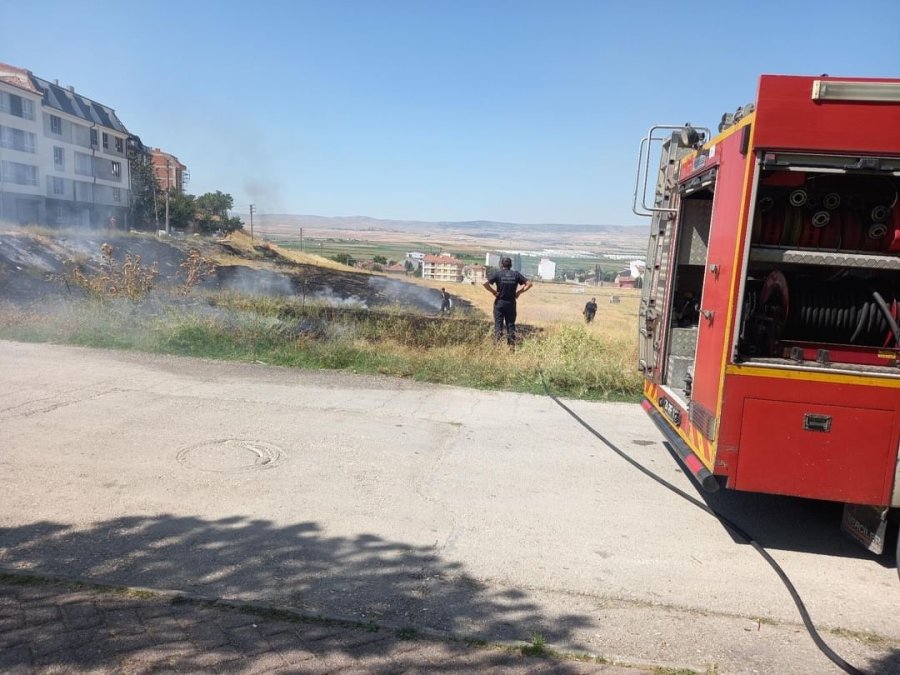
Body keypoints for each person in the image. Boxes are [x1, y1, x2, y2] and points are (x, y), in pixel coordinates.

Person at [483, 257, 532, 347]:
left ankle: (498, 348)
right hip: (511, 304)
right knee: (510, 326)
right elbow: (529, 284)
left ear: (501, 264)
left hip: (500, 303)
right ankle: (511, 348)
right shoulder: (516, 274)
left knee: (498, 326)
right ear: (511, 265)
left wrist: (493, 292)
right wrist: (519, 292)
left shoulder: (498, 274)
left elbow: (485, 284)